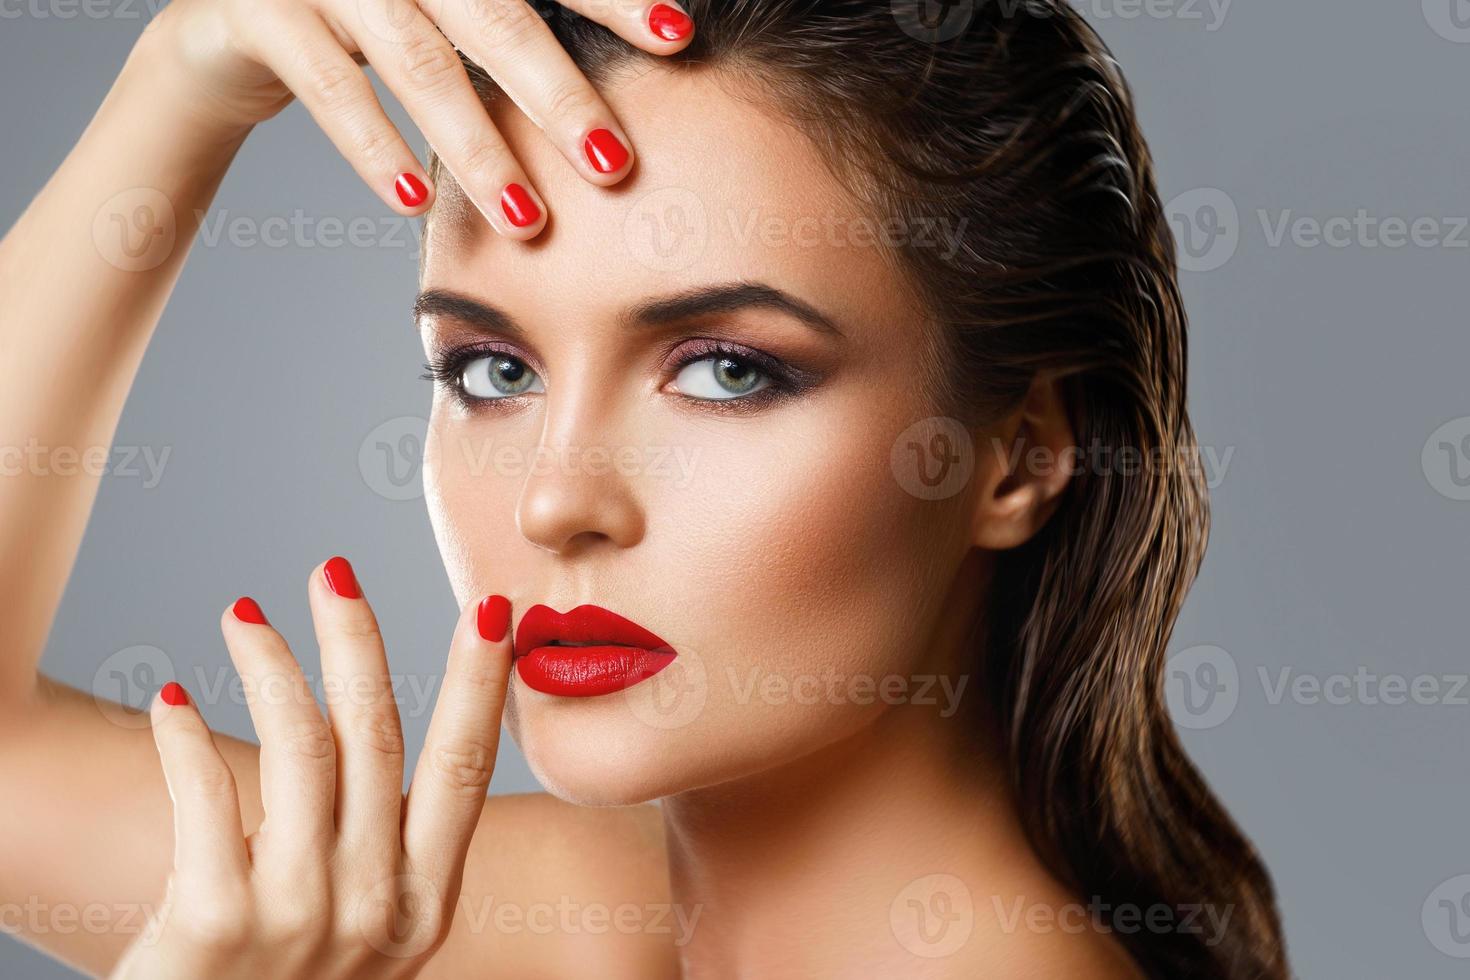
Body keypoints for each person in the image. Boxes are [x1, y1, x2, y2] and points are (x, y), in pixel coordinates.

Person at [0, 0, 1289, 976]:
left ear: (1019, 455)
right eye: (492, 366)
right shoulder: (565, 917)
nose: (559, 502)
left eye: (728, 371)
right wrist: (183, 78)